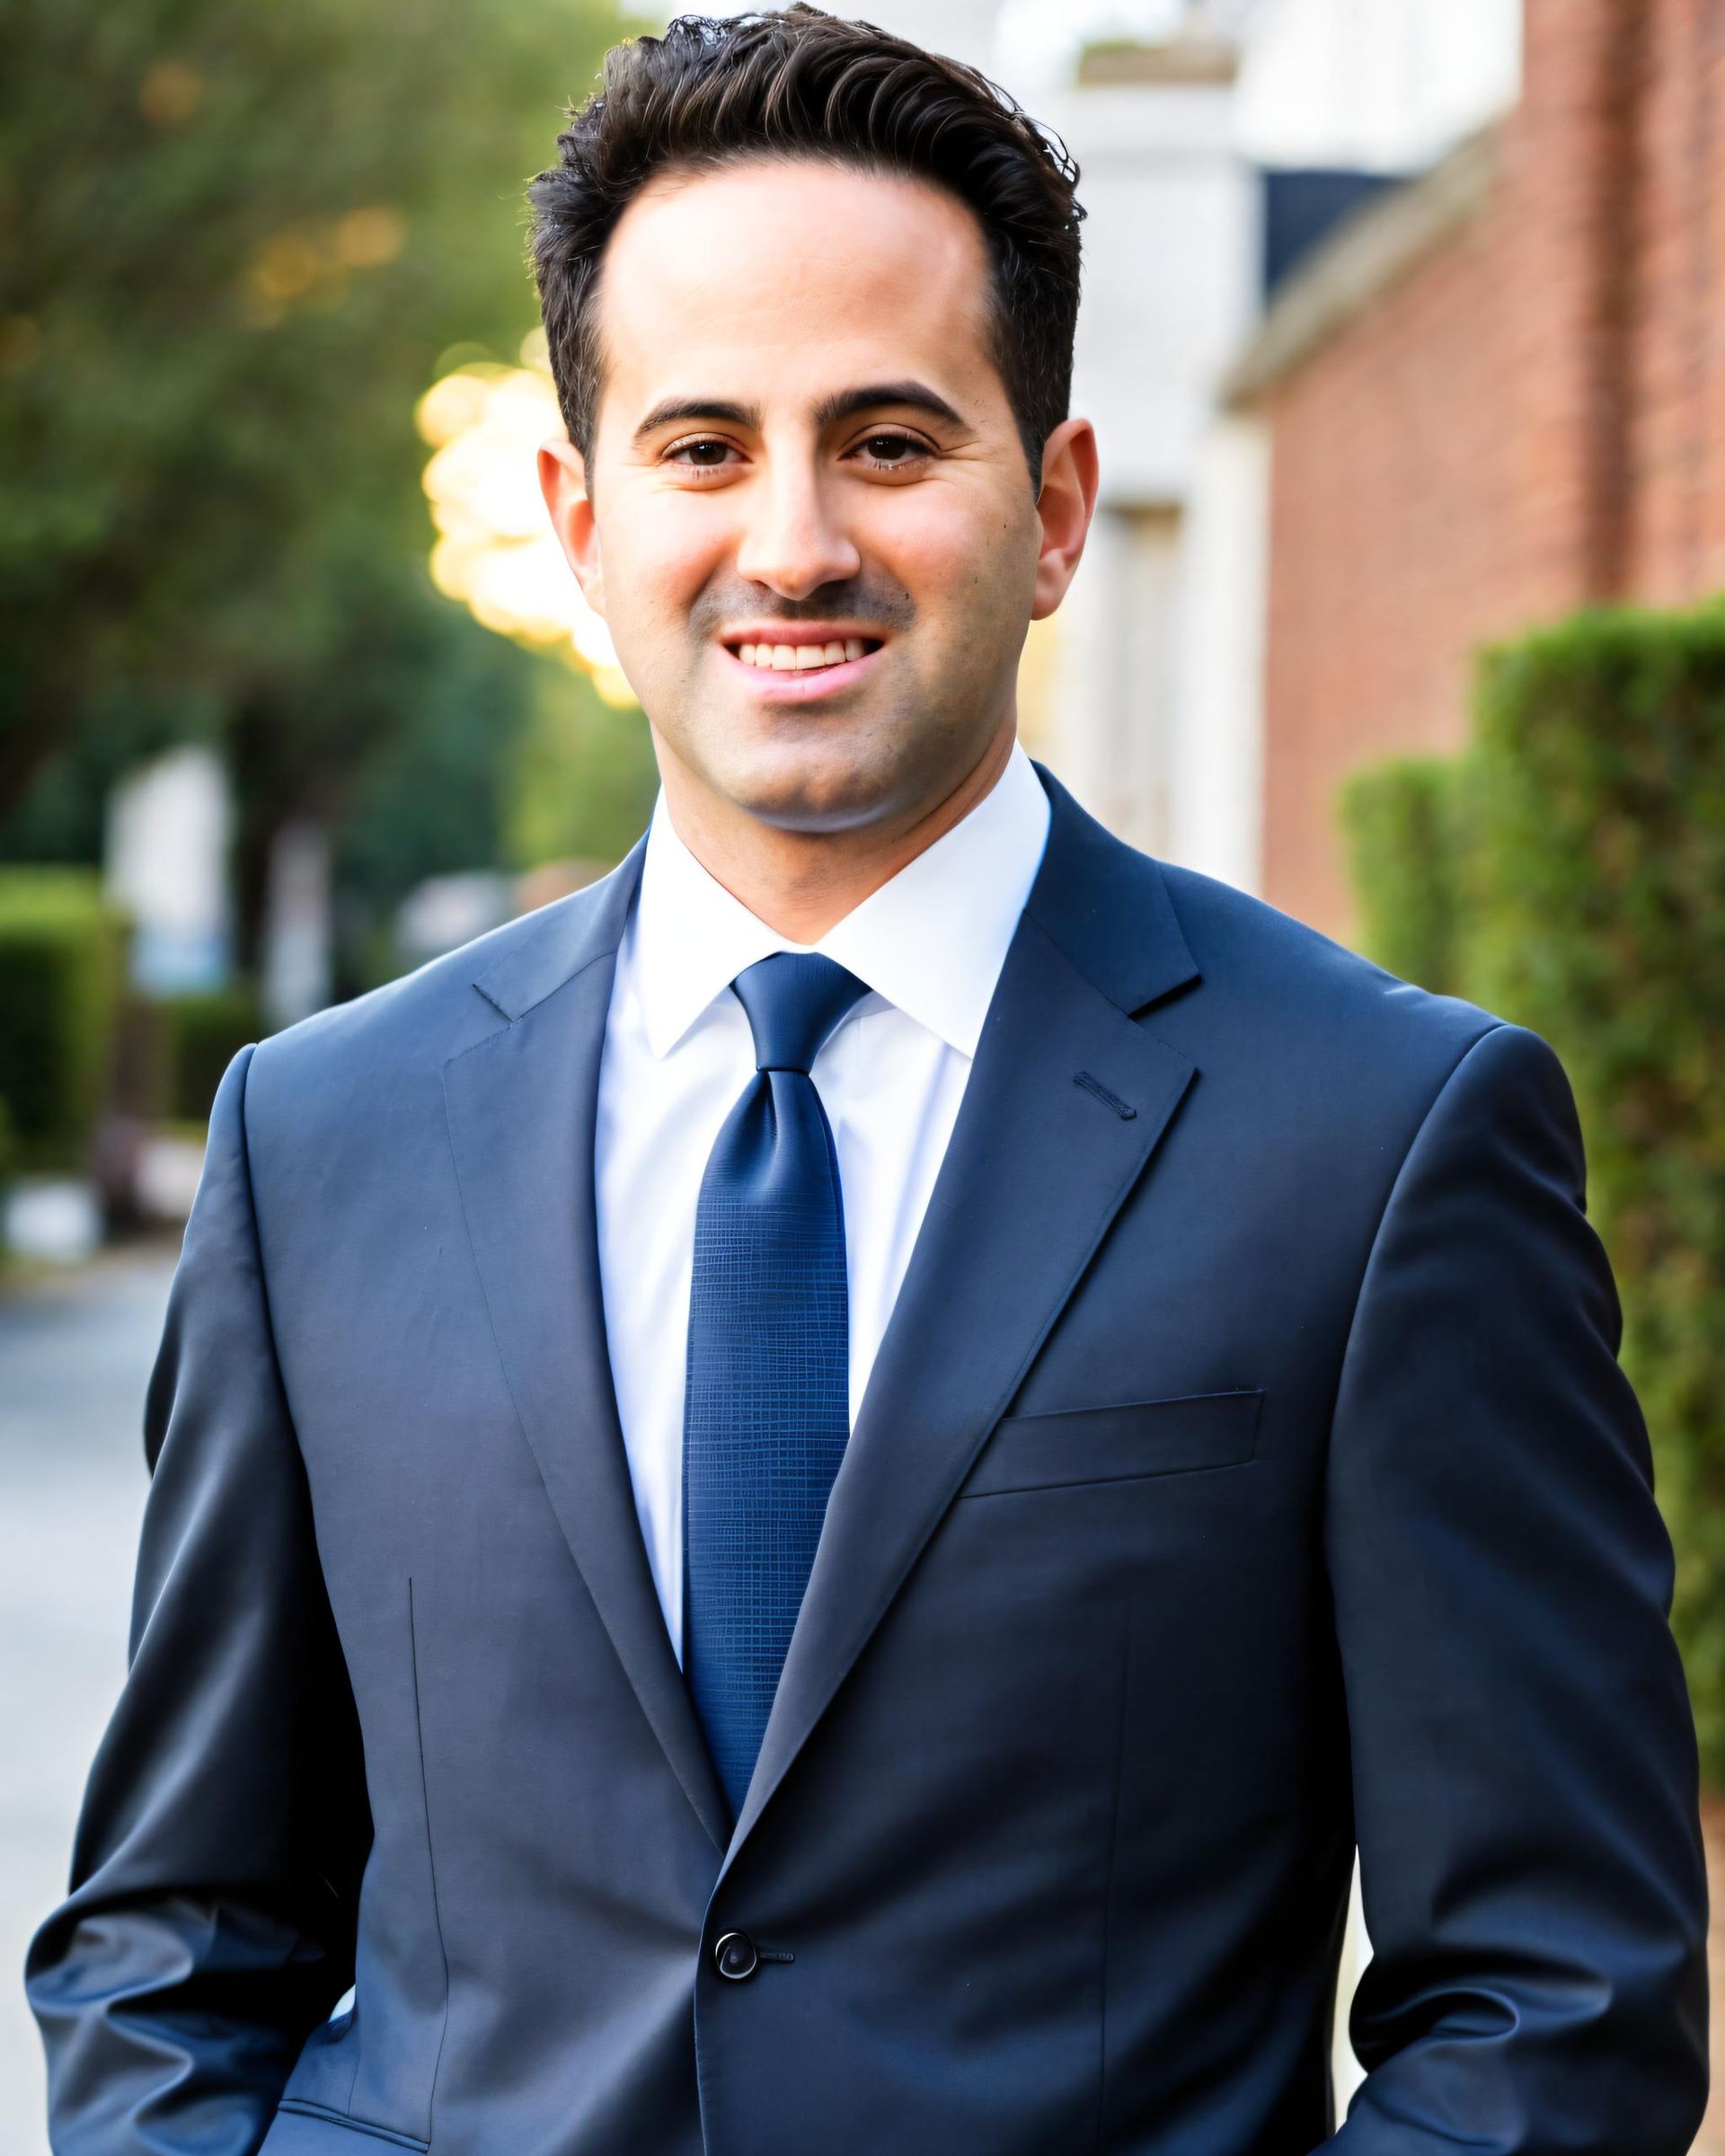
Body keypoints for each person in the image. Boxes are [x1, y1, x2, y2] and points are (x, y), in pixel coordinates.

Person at [24, 8, 1710, 2152]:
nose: (795, 542)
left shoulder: (1381, 1145)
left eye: (892, 442)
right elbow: (172, 1943)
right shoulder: (324, 1141)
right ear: (578, 513)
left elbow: (1560, 1999)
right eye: (704, 445)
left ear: (1057, 508)